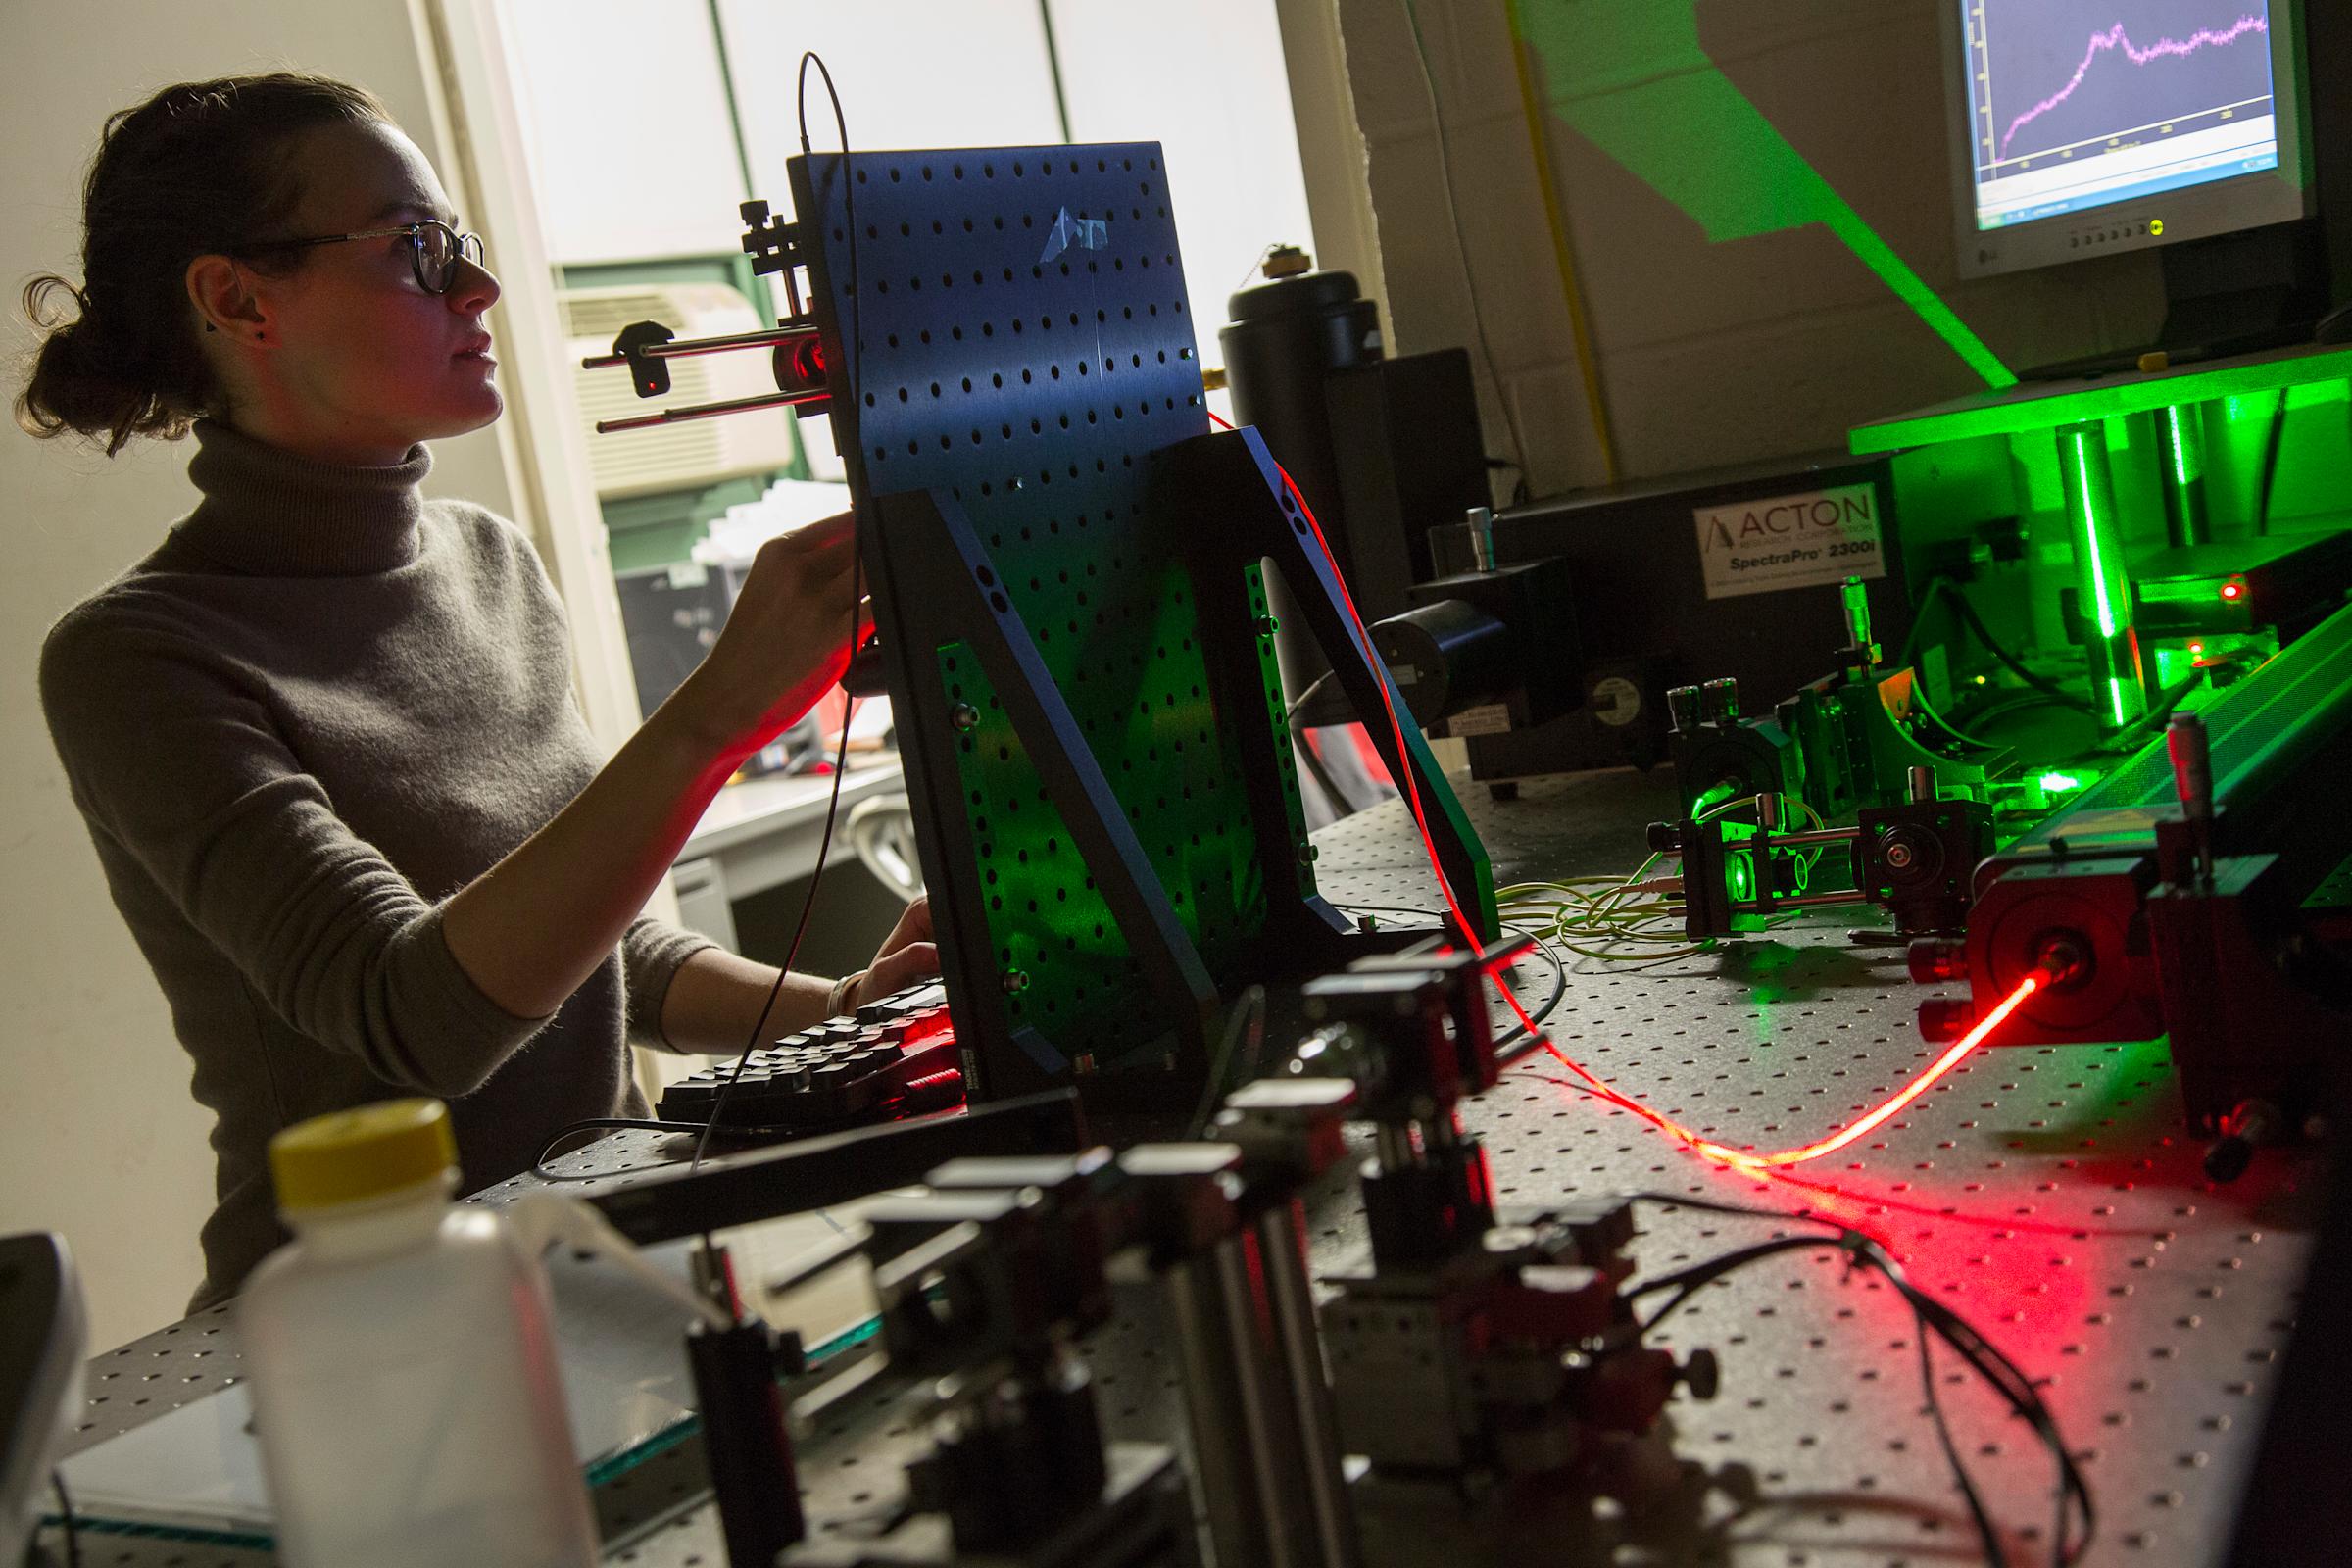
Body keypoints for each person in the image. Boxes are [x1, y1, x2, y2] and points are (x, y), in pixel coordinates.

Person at [19, 73, 935, 1311]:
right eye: (416, 250)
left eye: (464, 245)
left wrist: (831, 1012)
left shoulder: (490, 560)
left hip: (605, 1261)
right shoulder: (137, 660)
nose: (478, 288)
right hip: (368, 1335)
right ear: (238, 301)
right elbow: (420, 1018)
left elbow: (601, 954)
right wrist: (715, 716)